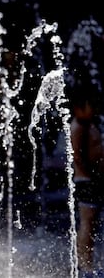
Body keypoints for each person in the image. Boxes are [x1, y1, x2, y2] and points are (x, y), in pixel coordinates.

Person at [70, 87, 104, 278]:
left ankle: (88, 262)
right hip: (86, 181)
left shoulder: (89, 124)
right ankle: (84, 264)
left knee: (92, 222)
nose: (93, 109)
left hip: (93, 180)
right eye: (89, 106)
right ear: (78, 108)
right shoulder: (78, 127)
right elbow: (77, 157)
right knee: (88, 222)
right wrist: (91, 175)